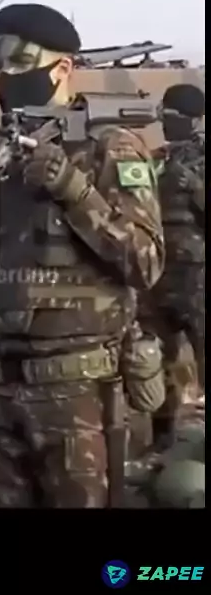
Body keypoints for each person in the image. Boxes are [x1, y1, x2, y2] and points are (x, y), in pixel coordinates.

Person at [0, 3, 165, 508]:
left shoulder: (110, 149)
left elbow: (146, 261)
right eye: (0, 60)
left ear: (62, 68)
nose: (4, 74)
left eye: (20, 61)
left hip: (76, 393)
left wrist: (73, 190)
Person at [139, 84, 205, 452]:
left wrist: (194, 186)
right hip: (157, 278)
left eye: (173, 117)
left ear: (195, 120)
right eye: (163, 116)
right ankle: (162, 443)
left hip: (197, 279)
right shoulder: (157, 159)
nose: (165, 124)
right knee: (154, 364)